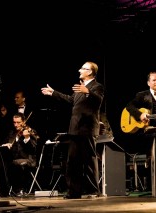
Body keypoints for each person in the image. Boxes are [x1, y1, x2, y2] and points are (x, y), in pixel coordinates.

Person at [41, 61, 104, 199]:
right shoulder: (80, 87)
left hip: (87, 128)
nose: (79, 70)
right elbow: (70, 100)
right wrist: (54, 93)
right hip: (75, 128)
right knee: (72, 161)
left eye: (83, 68)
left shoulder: (97, 86)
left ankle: (94, 191)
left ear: (90, 72)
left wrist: (88, 92)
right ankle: (74, 192)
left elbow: (98, 101)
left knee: (89, 161)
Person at [1, 112, 39, 196]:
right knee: (2, 164)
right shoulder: (12, 133)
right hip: (13, 159)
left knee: (16, 164)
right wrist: (5, 145)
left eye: (18, 122)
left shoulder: (30, 131)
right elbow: (4, 143)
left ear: (24, 122)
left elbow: (33, 149)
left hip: (28, 159)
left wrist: (27, 138)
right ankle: (3, 190)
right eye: (14, 122)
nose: (16, 125)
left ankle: (20, 189)